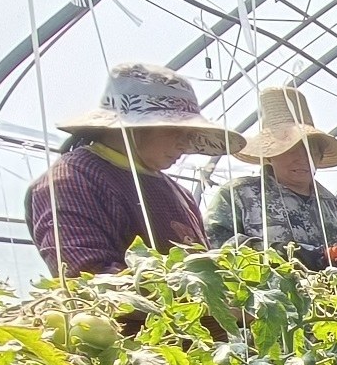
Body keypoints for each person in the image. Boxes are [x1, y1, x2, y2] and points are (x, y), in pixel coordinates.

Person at [25, 63, 243, 275]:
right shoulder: (71, 180)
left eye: (189, 136)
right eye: (178, 131)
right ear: (135, 127)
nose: (185, 146)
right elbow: (86, 278)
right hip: (120, 313)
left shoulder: (179, 194)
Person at [203, 84, 337, 271]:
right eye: (289, 149)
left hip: (328, 301)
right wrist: (301, 256)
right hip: (268, 299)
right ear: (269, 154)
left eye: (310, 149)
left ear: (319, 156)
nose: (301, 158)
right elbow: (216, 249)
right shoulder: (238, 196)